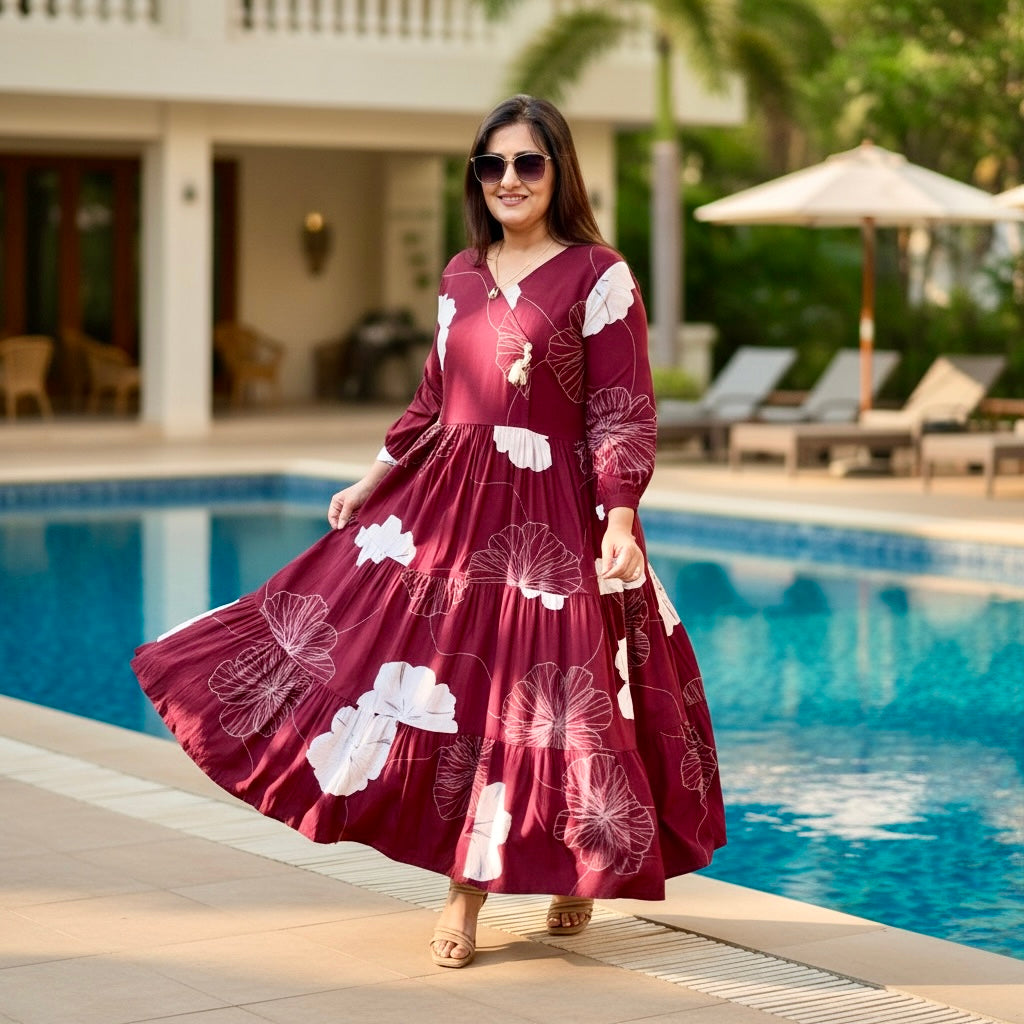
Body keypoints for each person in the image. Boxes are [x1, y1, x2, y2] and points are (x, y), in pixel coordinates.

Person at [132, 94, 725, 970]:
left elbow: (621, 408)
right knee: (455, 687)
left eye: (528, 163)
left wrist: (622, 512)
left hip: (552, 521)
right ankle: (465, 891)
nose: (509, 180)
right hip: (454, 508)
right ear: (476, 179)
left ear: (558, 171)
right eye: (493, 165)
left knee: (557, 697)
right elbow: (432, 398)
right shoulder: (460, 273)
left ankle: (562, 874)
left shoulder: (599, 274)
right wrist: (373, 477)